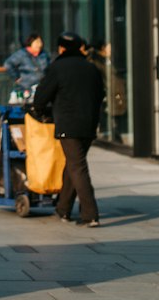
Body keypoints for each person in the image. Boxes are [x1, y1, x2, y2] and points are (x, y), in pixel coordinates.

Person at [32, 32, 105, 228]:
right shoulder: (91, 68)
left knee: (77, 166)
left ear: (62, 49)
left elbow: (41, 96)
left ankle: (90, 214)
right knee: (74, 164)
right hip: (89, 125)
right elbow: (100, 95)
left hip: (69, 125)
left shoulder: (58, 67)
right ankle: (63, 209)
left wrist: (40, 111)